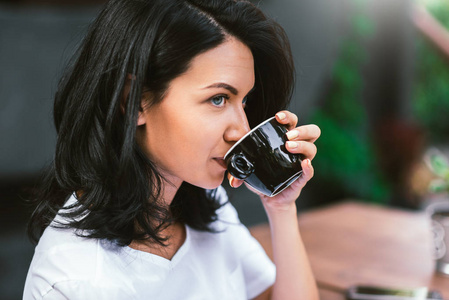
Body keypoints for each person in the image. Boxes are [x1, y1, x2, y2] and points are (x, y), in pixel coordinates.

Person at [24, 0, 321, 299]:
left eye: (243, 102)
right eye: (218, 99)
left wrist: (281, 208)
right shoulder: (74, 281)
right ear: (134, 102)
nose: (241, 131)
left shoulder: (207, 206)